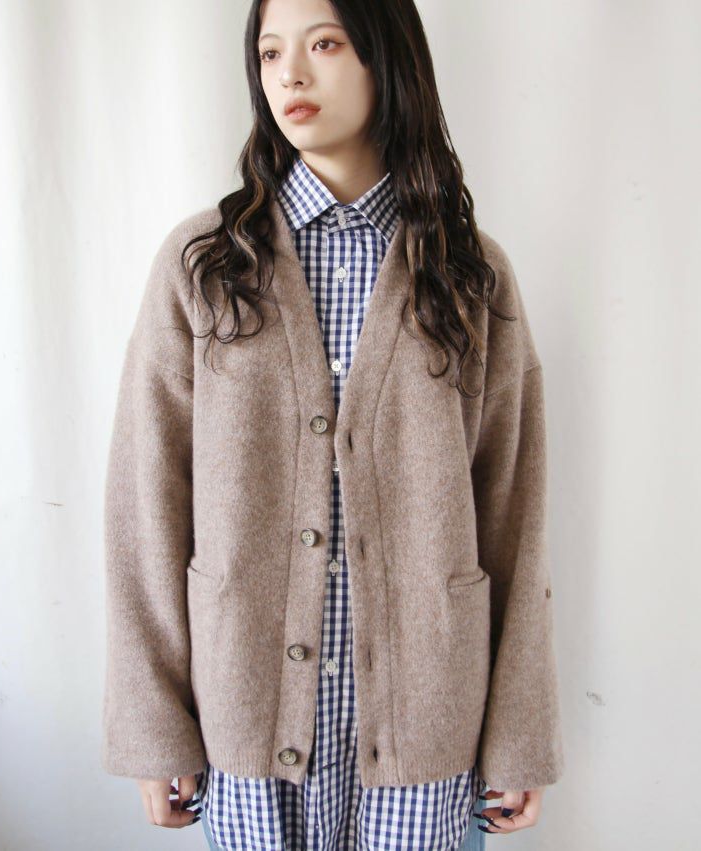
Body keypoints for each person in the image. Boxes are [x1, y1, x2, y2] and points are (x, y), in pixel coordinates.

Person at [100, 0, 565, 848]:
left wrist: (519, 730)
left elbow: (512, 512)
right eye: (269, 52)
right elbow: (145, 502)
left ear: (385, 58)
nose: (291, 73)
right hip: (243, 718)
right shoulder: (205, 265)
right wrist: (154, 722)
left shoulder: (469, 272)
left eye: (324, 43)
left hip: (428, 727)